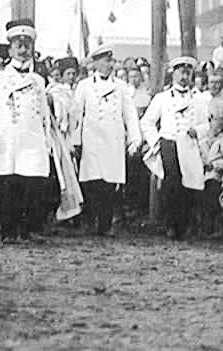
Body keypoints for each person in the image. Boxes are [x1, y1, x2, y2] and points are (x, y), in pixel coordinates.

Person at [0, 18, 55, 243]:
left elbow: (43, 115)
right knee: (8, 186)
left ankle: (30, 230)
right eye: (18, 46)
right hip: (6, 140)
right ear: (10, 48)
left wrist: (47, 142)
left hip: (32, 139)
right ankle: (9, 232)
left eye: (27, 46)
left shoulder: (38, 80)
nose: (23, 50)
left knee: (33, 185)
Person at [69, 44, 141, 237]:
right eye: (106, 61)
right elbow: (77, 114)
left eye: (111, 61)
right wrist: (74, 141)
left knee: (110, 184)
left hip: (113, 140)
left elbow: (130, 114)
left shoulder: (121, 87)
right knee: (92, 183)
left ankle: (105, 224)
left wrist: (134, 138)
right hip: (92, 139)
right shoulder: (84, 86)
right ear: (96, 63)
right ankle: (91, 221)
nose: (110, 65)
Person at [142, 55, 211, 241]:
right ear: (173, 74)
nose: (184, 76)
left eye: (187, 72)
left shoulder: (199, 100)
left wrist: (196, 131)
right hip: (169, 144)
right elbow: (147, 122)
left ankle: (185, 225)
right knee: (170, 184)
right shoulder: (162, 98)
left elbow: (206, 125)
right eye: (180, 72)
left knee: (188, 184)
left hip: (188, 145)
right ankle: (170, 224)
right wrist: (157, 142)